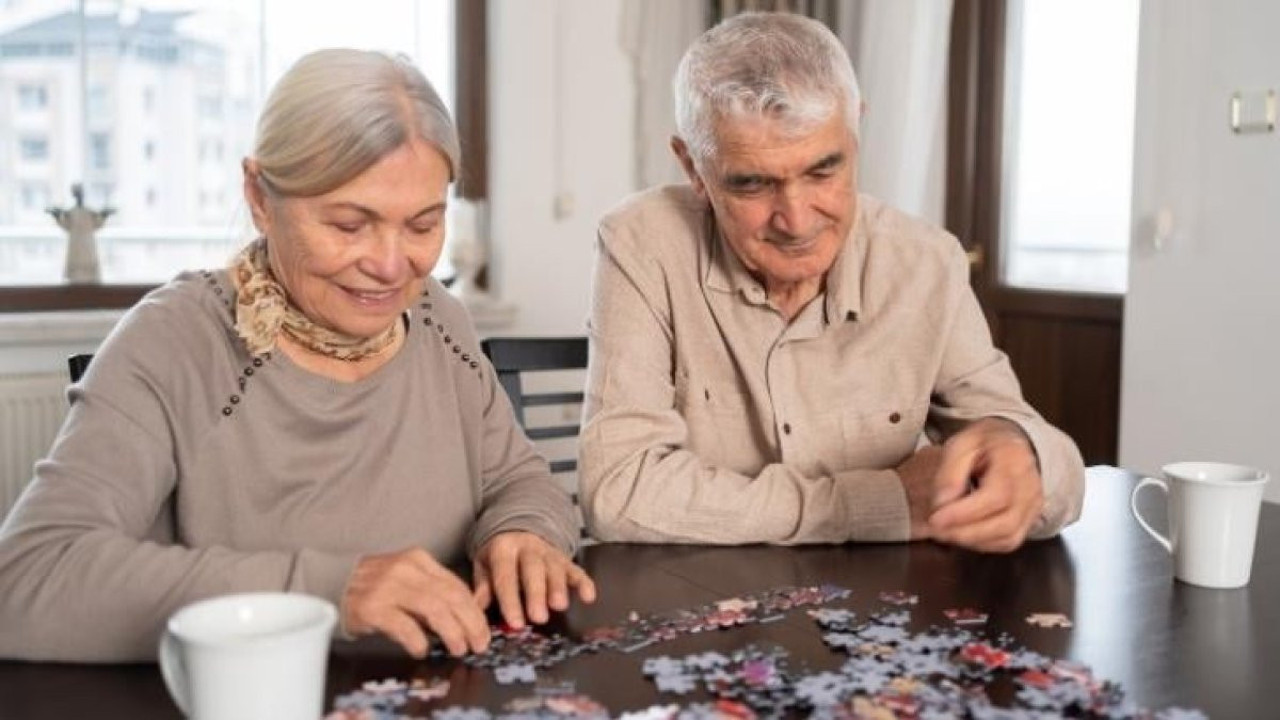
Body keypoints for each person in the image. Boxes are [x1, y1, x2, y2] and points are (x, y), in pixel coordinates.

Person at [0, 49, 594, 663]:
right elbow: (26, 579)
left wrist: (521, 531)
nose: (392, 266)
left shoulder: (439, 318)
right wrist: (331, 592)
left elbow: (520, 480)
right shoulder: (172, 340)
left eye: (422, 225)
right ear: (259, 196)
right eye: (348, 225)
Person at [579, 12, 1085, 551]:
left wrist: (1021, 451)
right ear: (692, 167)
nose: (796, 220)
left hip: (883, 617)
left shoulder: (927, 261)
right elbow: (617, 489)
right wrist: (877, 504)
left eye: (823, 170)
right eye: (752, 184)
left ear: (857, 130)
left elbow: (1054, 473)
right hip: (697, 608)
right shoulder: (641, 242)